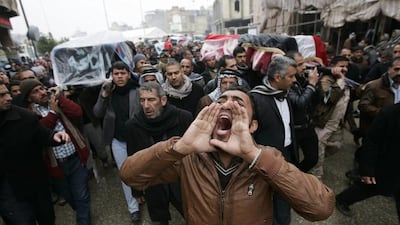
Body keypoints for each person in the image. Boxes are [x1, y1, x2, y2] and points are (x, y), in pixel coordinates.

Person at [120, 86, 335, 225]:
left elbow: (321, 208)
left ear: (252, 126)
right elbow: (131, 176)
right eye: (222, 101)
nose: (228, 104)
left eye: (239, 103)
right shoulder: (190, 158)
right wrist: (178, 147)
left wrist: (254, 155)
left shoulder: (267, 157)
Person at [18, 79, 91, 225]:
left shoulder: (57, 102)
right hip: (56, 165)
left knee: (81, 195)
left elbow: (77, 112)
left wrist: (61, 97)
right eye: (36, 91)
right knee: (70, 197)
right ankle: (83, 212)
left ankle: (84, 221)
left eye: (42, 88)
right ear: (28, 98)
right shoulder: (28, 114)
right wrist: (53, 112)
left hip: (74, 158)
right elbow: (40, 131)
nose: (42, 92)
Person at [0, 81, 70, 225]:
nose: (8, 98)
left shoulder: (25, 117)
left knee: (47, 218)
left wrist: (54, 137)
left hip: (35, 182)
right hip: (7, 190)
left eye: (7, 93)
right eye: (1, 95)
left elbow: (43, 135)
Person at [125, 82, 193, 225]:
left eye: (151, 99)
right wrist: (136, 190)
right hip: (153, 184)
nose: (146, 105)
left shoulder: (183, 118)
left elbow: (194, 154)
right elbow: (133, 159)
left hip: (182, 181)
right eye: (142, 100)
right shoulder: (133, 126)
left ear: (163, 100)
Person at [250, 55, 299, 225]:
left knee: (284, 197)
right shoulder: (256, 98)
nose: (295, 80)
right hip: (266, 160)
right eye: (291, 76)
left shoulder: (285, 93)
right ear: (278, 77)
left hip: (287, 155)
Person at [93, 61, 141, 222]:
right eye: (116, 74)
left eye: (123, 73)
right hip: (118, 141)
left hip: (137, 139)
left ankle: (142, 194)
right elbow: (97, 113)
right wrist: (104, 95)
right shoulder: (107, 91)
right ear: (111, 76)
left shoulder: (137, 90)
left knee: (141, 170)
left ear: (129, 74)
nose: (119, 77)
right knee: (125, 174)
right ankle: (133, 208)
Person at [336, 103, 400, 224]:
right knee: (370, 187)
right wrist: (367, 169)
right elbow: (371, 142)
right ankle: (342, 199)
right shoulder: (389, 114)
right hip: (387, 166)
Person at [311, 56, 351, 178]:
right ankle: (315, 175)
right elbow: (329, 99)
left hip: (338, 123)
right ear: (332, 66)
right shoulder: (326, 80)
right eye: (341, 66)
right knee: (319, 148)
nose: (344, 69)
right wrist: (340, 81)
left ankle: (314, 160)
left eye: (346, 66)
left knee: (336, 146)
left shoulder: (344, 80)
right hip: (325, 122)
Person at [286, 51, 319, 172]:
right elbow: (300, 103)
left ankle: (299, 175)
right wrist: (311, 85)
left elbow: (316, 100)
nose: (304, 67)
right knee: (292, 161)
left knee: (313, 158)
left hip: (308, 126)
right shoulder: (288, 82)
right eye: (299, 64)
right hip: (295, 130)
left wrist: (312, 84)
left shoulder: (302, 79)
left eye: (303, 63)